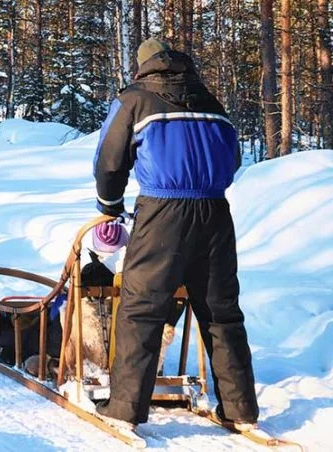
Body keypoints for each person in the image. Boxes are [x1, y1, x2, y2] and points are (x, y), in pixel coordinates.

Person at [92, 38, 259, 431]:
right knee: (221, 312)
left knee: (142, 308)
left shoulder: (134, 99)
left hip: (162, 211)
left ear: (142, 67)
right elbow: (232, 158)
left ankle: (124, 409)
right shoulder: (211, 103)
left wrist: (109, 207)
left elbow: (109, 162)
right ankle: (240, 409)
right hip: (215, 212)